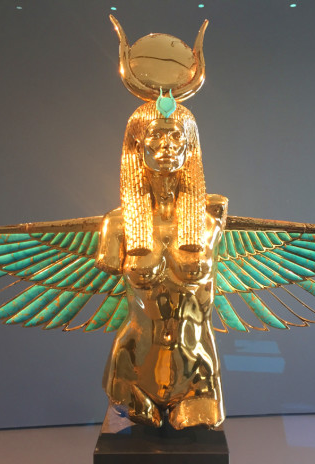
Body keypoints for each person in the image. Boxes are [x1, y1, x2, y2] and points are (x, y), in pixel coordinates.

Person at [96, 101, 227, 429]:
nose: (166, 146)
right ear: (137, 146)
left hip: (196, 368)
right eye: (156, 137)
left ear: (189, 146)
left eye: (176, 137)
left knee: (198, 426)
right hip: (132, 369)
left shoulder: (209, 222)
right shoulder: (117, 225)